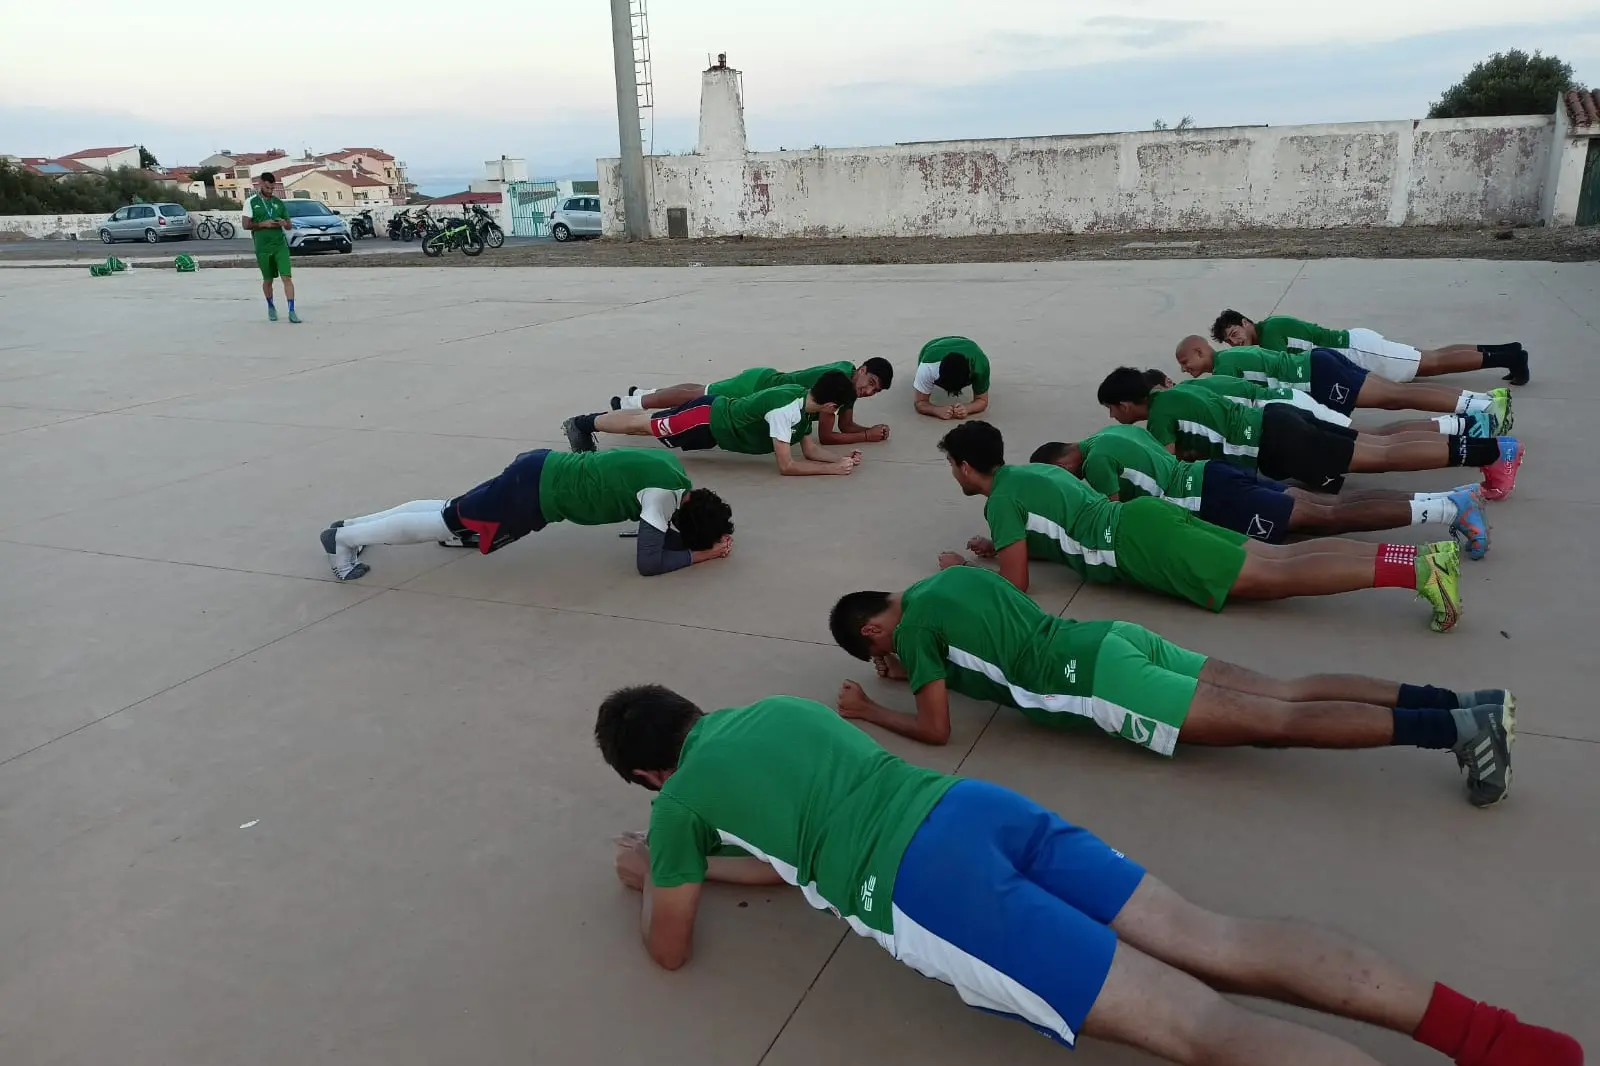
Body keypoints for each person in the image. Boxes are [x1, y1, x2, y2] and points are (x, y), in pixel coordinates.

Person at [595, 687, 1578, 1065]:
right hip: (974, 810)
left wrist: (652, 871)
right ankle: (1496, 1039)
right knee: (1217, 939)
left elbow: (670, 947)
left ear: (648, 775)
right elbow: (793, 850)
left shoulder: (677, 806)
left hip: (926, 890)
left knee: (1202, 1028)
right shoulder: (777, 711)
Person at [828, 565, 1511, 804]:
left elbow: (937, 730)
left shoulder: (911, 638)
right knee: (1285, 690)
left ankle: (1456, 732)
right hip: (1108, 637)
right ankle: (1457, 702)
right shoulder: (937, 584)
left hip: (1096, 679)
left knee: (1275, 728)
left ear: (873, 636)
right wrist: (912, 660)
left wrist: (867, 709)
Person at [933, 421, 1464, 631]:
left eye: (950, 466)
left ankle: (1418, 569)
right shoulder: (1037, 471)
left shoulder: (999, 501)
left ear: (963, 467)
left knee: (1280, 577)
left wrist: (965, 570)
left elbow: (1017, 589)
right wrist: (1002, 545)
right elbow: (1061, 529)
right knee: (1282, 560)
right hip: (1147, 518)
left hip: (1139, 545)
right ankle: (1418, 562)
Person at [1031, 424, 1491, 559]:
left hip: (1212, 500)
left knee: (1324, 519)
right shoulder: (1113, 434)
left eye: (1059, 478)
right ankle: (1444, 501)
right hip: (1216, 476)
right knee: (1320, 506)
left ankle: (1451, 509)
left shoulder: (1094, 464)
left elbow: (1111, 519)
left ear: (1060, 464)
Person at [1097, 368, 1525, 502]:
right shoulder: (1181, 392)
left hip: (1276, 443)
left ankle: (1492, 452)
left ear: (1124, 404)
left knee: (1384, 456)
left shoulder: (1158, 418)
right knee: (1382, 446)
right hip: (1279, 420)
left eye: (1111, 410)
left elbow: (1166, 468)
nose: (1113, 417)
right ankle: (1489, 449)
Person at [317, 448, 732, 581]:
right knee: (446, 519)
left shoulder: (676, 475)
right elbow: (648, 561)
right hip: (532, 495)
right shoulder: (661, 501)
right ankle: (344, 543)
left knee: (450, 509)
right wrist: (705, 554)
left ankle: (352, 526)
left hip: (539, 466)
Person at [562, 372, 863, 477]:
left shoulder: (804, 403)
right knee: (643, 425)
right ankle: (582, 423)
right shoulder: (786, 410)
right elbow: (787, 466)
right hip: (704, 419)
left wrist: (841, 459)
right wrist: (832, 469)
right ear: (830, 406)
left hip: (712, 422)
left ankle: (586, 423)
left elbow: (808, 450)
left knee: (646, 423)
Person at [1176, 335, 1513, 429]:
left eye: (1184, 361)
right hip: (1319, 365)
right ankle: (1479, 404)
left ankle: (1483, 404)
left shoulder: (1225, 368)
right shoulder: (1233, 358)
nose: (1183, 369)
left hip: (1316, 377)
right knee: (1396, 396)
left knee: (1396, 397)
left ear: (1198, 350)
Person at [608, 358, 894, 446]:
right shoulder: (840, 383)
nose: (869, 391)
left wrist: (866, 429)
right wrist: (867, 436)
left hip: (766, 390)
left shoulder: (848, 388)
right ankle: (635, 402)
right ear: (862, 370)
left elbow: (845, 425)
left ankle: (644, 392)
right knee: (698, 394)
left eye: (875, 391)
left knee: (697, 393)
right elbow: (828, 436)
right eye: (870, 383)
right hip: (758, 386)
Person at [1211, 309, 1530, 386]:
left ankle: (1510, 358)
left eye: (1234, 332)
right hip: (1355, 348)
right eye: (1229, 341)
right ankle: (1509, 351)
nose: (1235, 341)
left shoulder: (1271, 333)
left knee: (1432, 363)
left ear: (1245, 321)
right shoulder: (1268, 330)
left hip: (1356, 350)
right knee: (1431, 357)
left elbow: (1277, 366)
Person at [242, 173, 298, 324]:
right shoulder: (251, 202)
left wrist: (283, 223)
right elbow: (245, 225)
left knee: (286, 277)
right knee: (268, 280)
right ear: (260, 184)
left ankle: (292, 311)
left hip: (280, 245)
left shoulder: (278, 203)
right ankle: (271, 306)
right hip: (263, 248)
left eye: (272, 188)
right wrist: (262, 224)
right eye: (267, 187)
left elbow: (289, 225)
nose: (270, 190)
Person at [912, 336, 990, 420]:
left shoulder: (980, 365)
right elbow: (920, 402)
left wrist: (968, 408)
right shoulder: (927, 367)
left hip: (966, 343)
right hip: (931, 347)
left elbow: (982, 401)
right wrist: (936, 410)